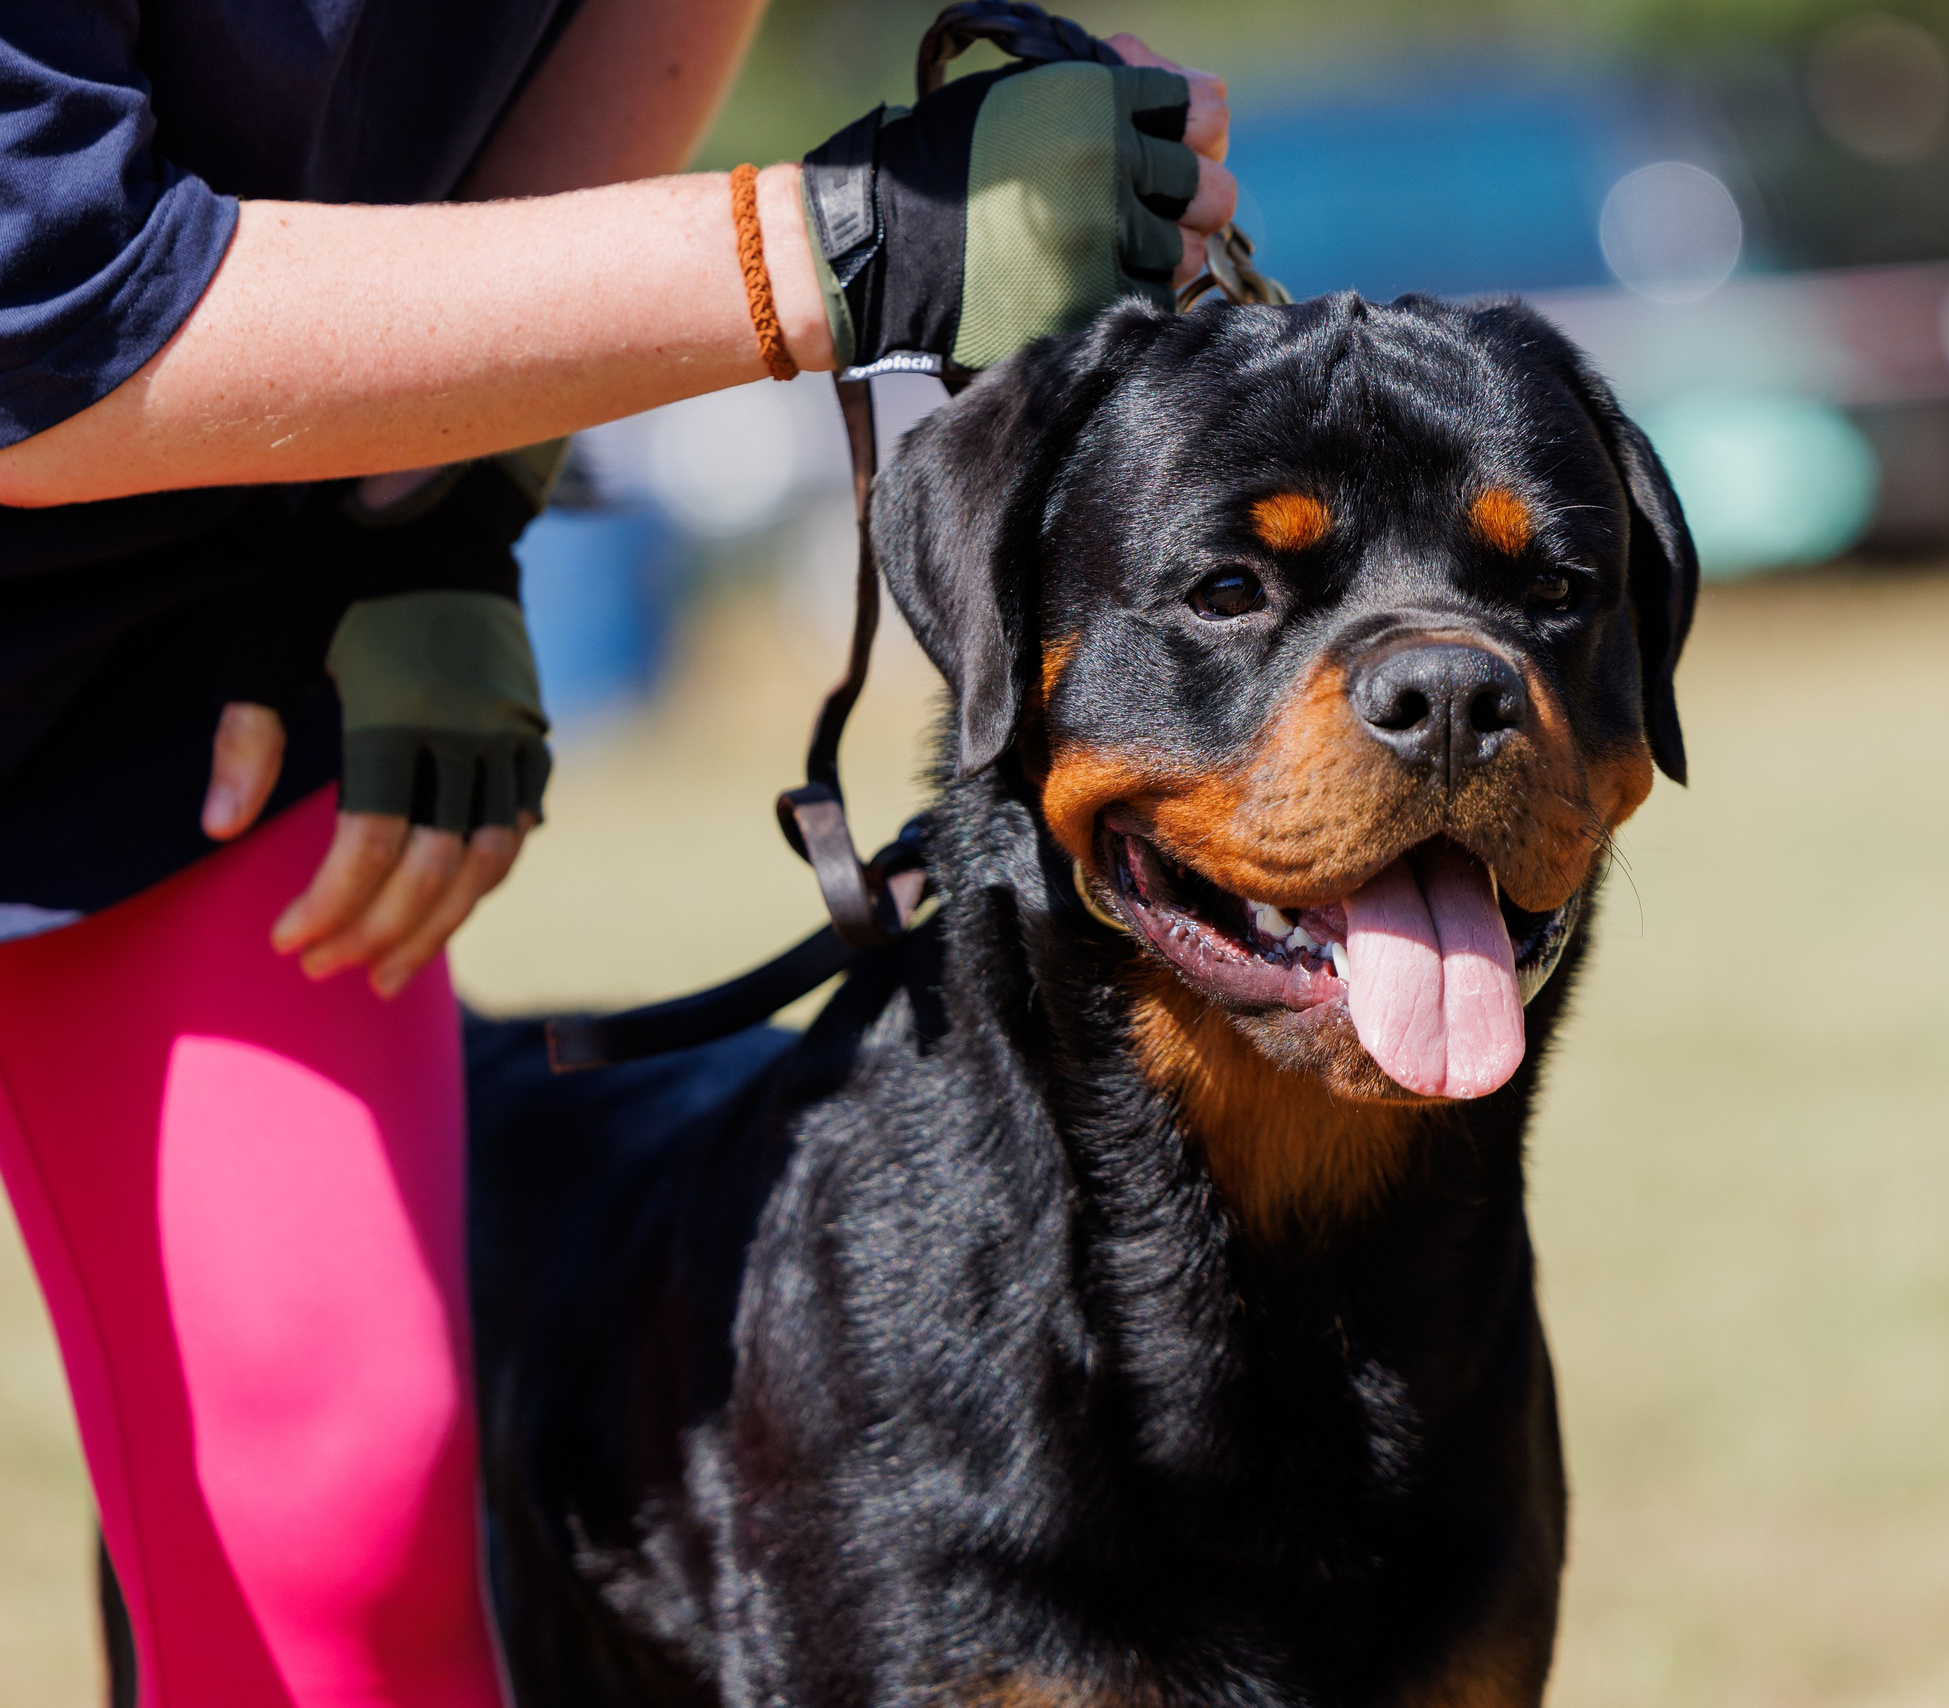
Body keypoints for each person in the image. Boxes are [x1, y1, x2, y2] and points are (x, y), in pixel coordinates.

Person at [0, 2, 1235, 1702]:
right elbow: (43, 326)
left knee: (340, 1521)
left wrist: (434, 508)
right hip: (84, 428)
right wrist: (835, 247)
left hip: (177, 680)